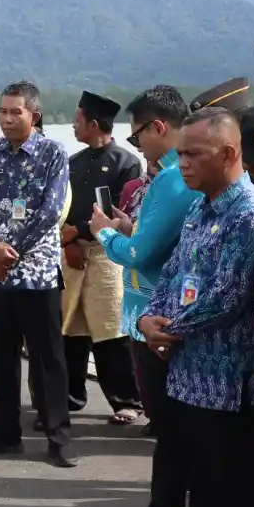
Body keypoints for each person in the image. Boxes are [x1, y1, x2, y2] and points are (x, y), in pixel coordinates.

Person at [137, 107, 254, 507]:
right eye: (179, 153)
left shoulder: (252, 215)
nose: (184, 164)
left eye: (193, 154)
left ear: (230, 154)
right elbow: (172, 273)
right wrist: (147, 318)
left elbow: (230, 297)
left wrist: (167, 328)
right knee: (209, 496)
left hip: (229, 389)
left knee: (240, 503)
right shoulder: (201, 207)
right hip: (187, 376)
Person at [91, 85, 200, 507]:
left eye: (137, 133)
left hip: (161, 321)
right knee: (172, 435)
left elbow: (140, 255)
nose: (137, 145)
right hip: (151, 317)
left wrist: (105, 234)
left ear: (158, 127)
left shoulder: (176, 179)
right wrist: (127, 230)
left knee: (177, 437)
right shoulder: (172, 178)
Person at [0, 81, 77, 468]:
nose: (8, 119)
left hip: (38, 274)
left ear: (34, 114)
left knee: (49, 358)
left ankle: (59, 437)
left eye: (17, 112)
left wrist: (11, 254)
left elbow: (50, 211)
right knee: (2, 356)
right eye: (3, 111)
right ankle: (5, 433)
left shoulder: (52, 153)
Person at [60, 91, 144, 422]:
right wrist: (68, 241)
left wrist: (79, 231)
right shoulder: (72, 162)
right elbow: (61, 205)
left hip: (106, 254)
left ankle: (126, 400)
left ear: (93, 124)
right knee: (71, 328)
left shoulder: (127, 163)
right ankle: (69, 396)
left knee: (111, 329)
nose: (73, 125)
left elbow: (120, 213)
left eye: (78, 120)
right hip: (72, 252)